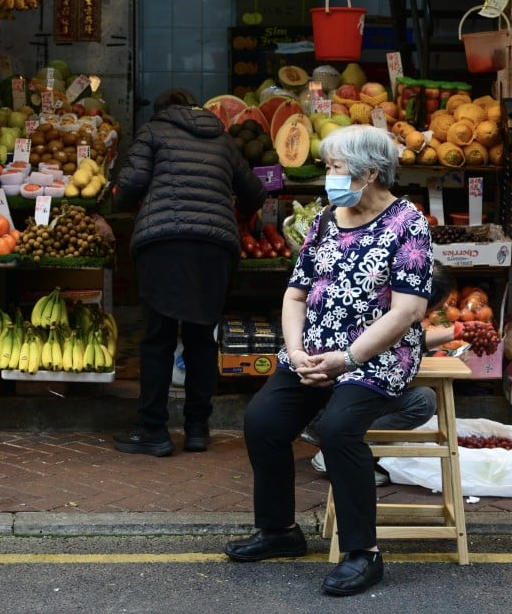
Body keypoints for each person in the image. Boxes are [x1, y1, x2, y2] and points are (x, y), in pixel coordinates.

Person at [224, 124, 433, 598]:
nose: (329, 176)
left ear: (371, 173)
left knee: (338, 428)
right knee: (262, 421)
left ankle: (363, 554)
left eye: (337, 168)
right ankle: (279, 531)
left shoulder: (408, 223)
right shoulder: (324, 220)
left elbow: (409, 310)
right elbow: (295, 295)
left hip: (376, 356)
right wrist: (296, 350)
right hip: (314, 350)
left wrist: (348, 358)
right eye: (329, 166)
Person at [111, 87, 267, 457]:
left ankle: (153, 429)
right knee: (201, 337)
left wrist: (121, 205)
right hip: (214, 248)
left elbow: (130, 183)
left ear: (164, 111)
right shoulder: (223, 139)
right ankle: (198, 429)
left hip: (163, 243)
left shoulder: (153, 131)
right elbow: (256, 192)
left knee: (158, 338)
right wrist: (236, 213)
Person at [306, 261, 456, 480]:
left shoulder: (378, 302)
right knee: (423, 401)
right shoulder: (393, 316)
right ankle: (338, 449)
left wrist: (453, 333)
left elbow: (407, 341)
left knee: (417, 396)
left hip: (326, 407)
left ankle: (343, 445)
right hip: (328, 412)